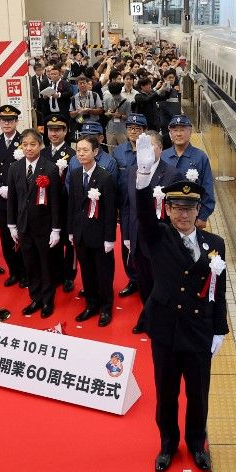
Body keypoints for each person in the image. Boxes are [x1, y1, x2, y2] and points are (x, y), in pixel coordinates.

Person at [134, 148, 228, 472]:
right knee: (167, 393)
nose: (184, 214)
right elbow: (144, 216)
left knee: (199, 395)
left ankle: (197, 443)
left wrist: (219, 330)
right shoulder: (158, 237)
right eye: (177, 208)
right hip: (165, 331)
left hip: (199, 330)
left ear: (199, 210)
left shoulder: (215, 244)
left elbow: (219, 291)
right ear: (168, 209)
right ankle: (168, 444)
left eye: (190, 208)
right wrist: (143, 179)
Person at [125, 131, 183, 334]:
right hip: (137, 238)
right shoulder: (133, 171)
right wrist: (126, 235)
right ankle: (147, 317)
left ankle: (161, 321)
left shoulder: (172, 174)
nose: (146, 152)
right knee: (143, 280)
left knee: (161, 285)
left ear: (160, 149)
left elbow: (176, 211)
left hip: (160, 241)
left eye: (150, 147)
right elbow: (127, 206)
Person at [6, 129, 62, 318]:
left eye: (33, 144)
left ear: (40, 145)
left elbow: (55, 201)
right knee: (30, 263)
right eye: (25, 145)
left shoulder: (50, 168)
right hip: (23, 226)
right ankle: (35, 297)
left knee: (46, 264)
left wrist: (56, 229)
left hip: (44, 226)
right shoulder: (15, 168)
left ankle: (47, 300)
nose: (29, 148)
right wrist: (11, 225)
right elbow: (12, 199)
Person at [67, 136, 117, 327]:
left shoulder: (105, 177)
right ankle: (91, 304)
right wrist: (71, 230)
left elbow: (111, 210)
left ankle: (105, 307)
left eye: (85, 150)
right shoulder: (75, 173)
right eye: (78, 150)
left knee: (103, 273)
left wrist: (110, 238)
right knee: (86, 271)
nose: (80, 153)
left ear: (95, 152)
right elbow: (72, 204)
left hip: (100, 235)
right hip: (80, 234)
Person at [0, 104, 27, 288]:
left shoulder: (25, 141)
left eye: (10, 120)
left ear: (17, 122)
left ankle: (25, 272)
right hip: (1, 198)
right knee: (7, 236)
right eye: (3, 120)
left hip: (20, 197)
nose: (6, 123)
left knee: (23, 235)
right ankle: (14, 271)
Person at [112, 113, 148, 299]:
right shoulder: (118, 152)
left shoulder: (149, 151)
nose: (133, 132)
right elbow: (114, 179)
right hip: (125, 205)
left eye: (138, 128)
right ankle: (132, 278)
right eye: (130, 128)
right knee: (127, 243)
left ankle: (146, 278)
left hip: (145, 204)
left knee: (145, 242)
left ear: (144, 131)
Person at [161, 115, 216, 228]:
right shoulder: (163, 156)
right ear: (170, 133)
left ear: (190, 132)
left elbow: (208, 188)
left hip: (192, 217)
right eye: (175, 130)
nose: (179, 134)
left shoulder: (200, 157)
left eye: (182, 130)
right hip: (167, 217)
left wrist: (202, 217)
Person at [43, 115, 77, 293]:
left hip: (67, 206)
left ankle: (69, 276)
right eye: (51, 130)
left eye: (58, 130)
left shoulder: (72, 155)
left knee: (69, 243)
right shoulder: (43, 153)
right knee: (52, 242)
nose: (54, 133)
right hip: (48, 208)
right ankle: (56, 274)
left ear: (65, 131)